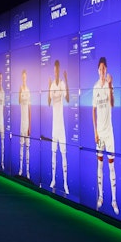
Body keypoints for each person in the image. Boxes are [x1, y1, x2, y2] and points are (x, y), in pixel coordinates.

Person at [92, 57, 118, 214]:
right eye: (100, 69)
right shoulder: (95, 88)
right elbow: (93, 111)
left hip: (109, 133)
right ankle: (101, 197)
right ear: (98, 70)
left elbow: (113, 104)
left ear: (106, 69)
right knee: (100, 165)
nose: (102, 71)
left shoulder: (109, 85)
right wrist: (95, 131)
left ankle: (114, 200)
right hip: (99, 133)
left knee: (112, 166)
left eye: (104, 69)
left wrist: (109, 86)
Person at [49, 59, 69, 195]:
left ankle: (65, 183)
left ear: (59, 70)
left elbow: (67, 99)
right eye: (54, 71)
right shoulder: (51, 86)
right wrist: (47, 86)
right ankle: (53, 180)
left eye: (57, 70)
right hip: (54, 126)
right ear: (53, 71)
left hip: (61, 126)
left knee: (63, 154)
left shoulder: (62, 84)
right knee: (53, 153)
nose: (56, 72)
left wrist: (66, 80)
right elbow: (48, 102)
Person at [17, 69, 31, 179]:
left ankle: (27, 171)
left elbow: (30, 109)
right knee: (21, 146)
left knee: (27, 147)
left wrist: (30, 125)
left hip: (27, 123)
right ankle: (21, 169)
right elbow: (18, 101)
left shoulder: (29, 91)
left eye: (25, 77)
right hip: (21, 122)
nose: (24, 79)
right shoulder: (20, 89)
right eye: (23, 77)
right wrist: (19, 92)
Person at [0, 71, 6, 170]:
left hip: (2, 119)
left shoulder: (4, 92)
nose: (0, 80)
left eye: (1, 78)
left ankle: (2, 162)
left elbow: (4, 106)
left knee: (2, 141)